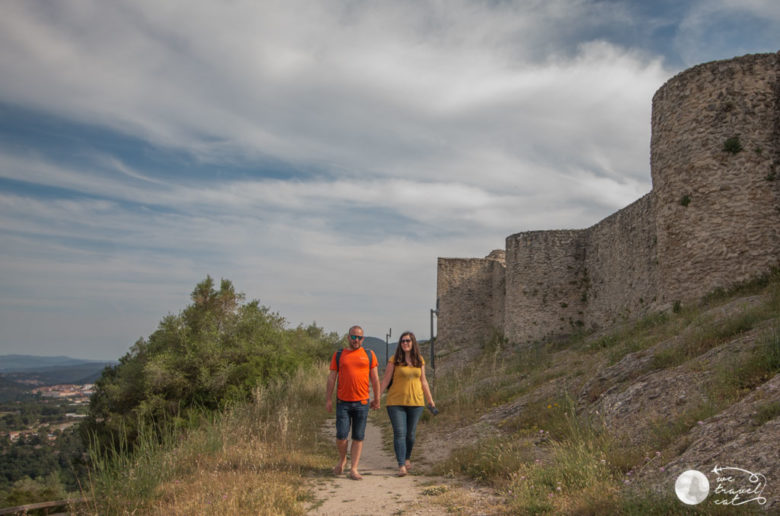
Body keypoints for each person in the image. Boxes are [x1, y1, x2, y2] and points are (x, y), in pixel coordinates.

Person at [325, 325, 380, 480]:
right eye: (353, 337)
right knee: (341, 436)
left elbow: (375, 378)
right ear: (348, 337)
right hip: (343, 402)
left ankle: (354, 469)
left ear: (363, 339)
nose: (356, 340)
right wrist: (328, 399)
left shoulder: (369, 355)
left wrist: (377, 398)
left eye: (359, 337)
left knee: (358, 436)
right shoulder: (339, 355)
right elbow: (331, 378)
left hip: (362, 403)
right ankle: (343, 459)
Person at [380, 331, 435, 477]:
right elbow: (385, 380)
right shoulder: (394, 360)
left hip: (416, 402)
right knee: (400, 433)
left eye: (408, 341)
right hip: (395, 402)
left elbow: (423, 381)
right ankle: (401, 465)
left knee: (410, 435)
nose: (405, 343)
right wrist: (377, 397)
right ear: (400, 344)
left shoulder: (419, 360)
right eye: (403, 341)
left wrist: (430, 400)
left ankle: (407, 457)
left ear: (413, 343)